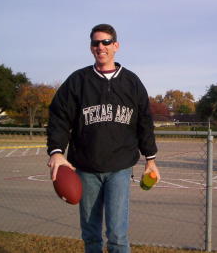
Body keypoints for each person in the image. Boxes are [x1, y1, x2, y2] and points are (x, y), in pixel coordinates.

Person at [46, 24, 160, 253]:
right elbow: (59, 116)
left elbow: (144, 122)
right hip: (86, 167)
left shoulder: (131, 82)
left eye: (106, 42)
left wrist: (150, 159)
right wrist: (56, 151)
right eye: (96, 43)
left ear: (116, 46)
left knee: (117, 234)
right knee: (91, 235)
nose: (101, 47)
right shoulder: (78, 81)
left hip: (120, 167)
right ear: (91, 48)